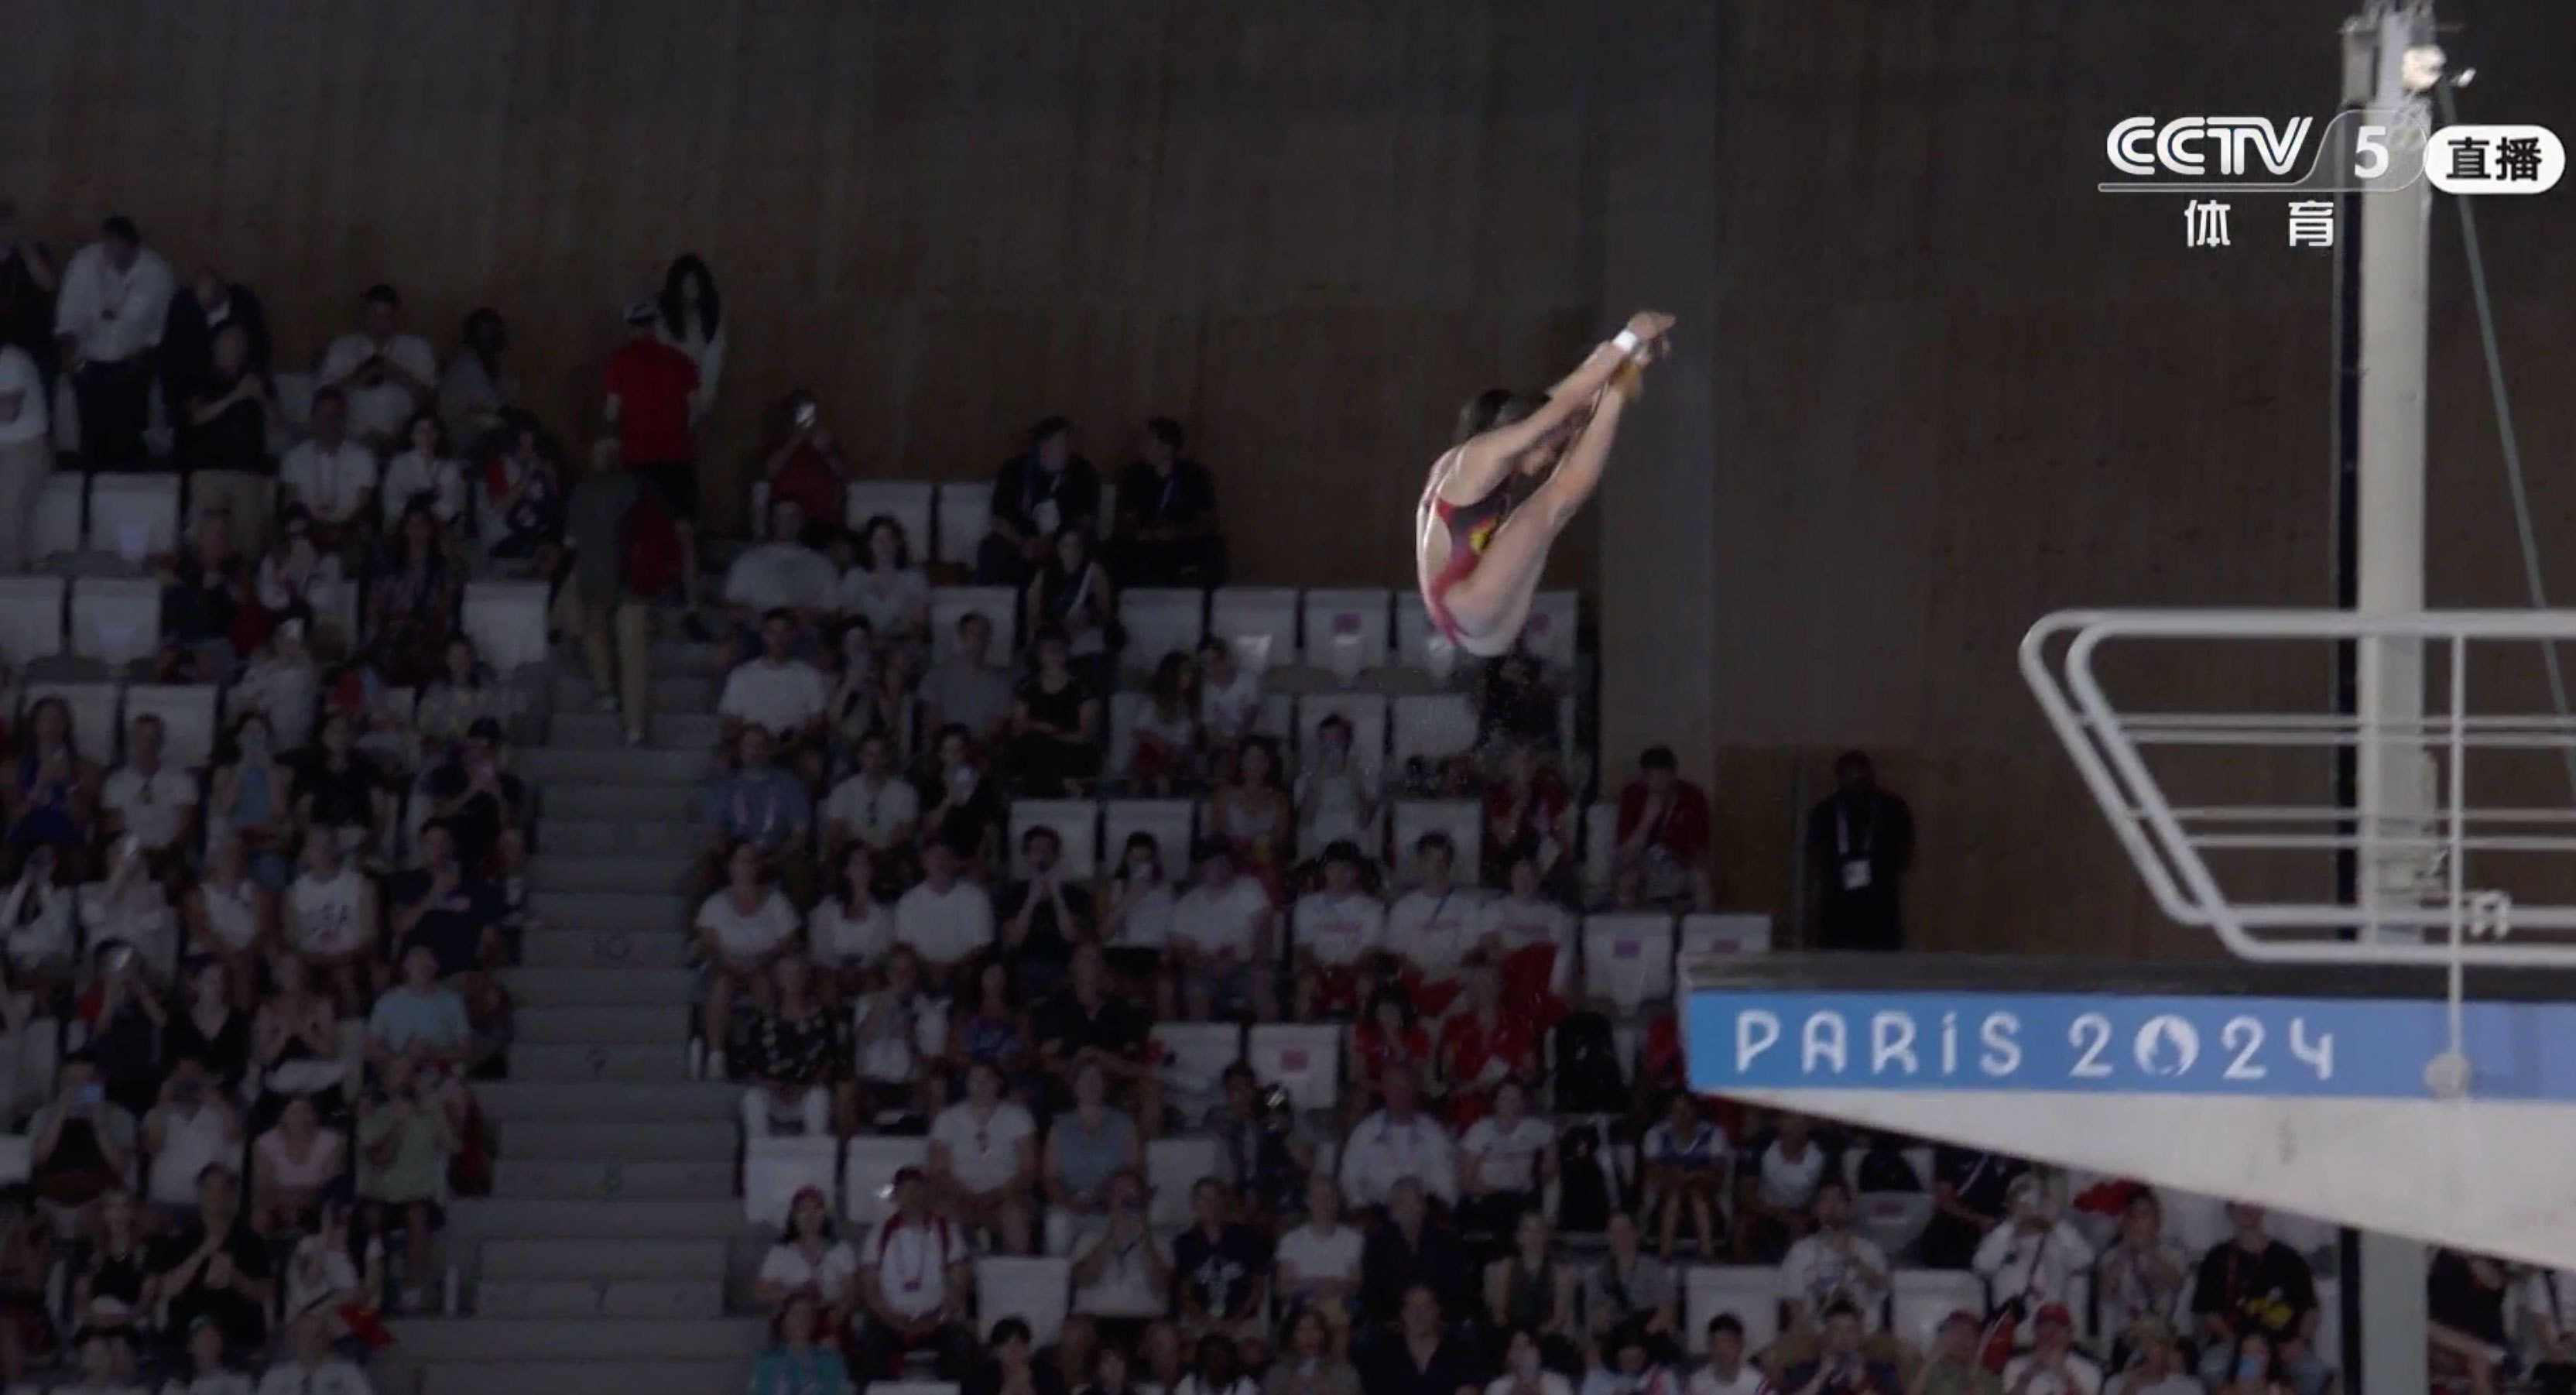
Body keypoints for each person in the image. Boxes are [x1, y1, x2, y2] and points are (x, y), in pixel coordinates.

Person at [1415, 312, 1671, 656]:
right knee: (1553, 501)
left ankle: (1617, 387)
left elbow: (1564, 401)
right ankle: (1616, 391)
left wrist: (1622, 359)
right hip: (1469, 604)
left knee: (1557, 490)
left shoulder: (1463, 464)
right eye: (1549, 449)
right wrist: (1629, 336)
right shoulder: (1486, 453)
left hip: (1468, 622)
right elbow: (1556, 410)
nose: (1549, 458)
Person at [603, 296, 705, 611]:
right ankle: (692, 605)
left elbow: (611, 414)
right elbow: (696, 410)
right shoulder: (681, 361)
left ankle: (632, 603)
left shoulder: (619, 362)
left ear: (629, 325)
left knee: (633, 531)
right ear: (655, 323)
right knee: (684, 534)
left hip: (638, 460)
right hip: (677, 457)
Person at [55, 215, 175, 474]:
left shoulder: (156, 273)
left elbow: (162, 328)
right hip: (89, 361)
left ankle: (128, 486)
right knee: (92, 435)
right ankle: (91, 491)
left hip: (133, 363)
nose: (110, 256)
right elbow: (68, 316)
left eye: (118, 249)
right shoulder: (84, 265)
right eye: (106, 247)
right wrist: (70, 353)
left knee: (129, 435)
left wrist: (145, 358)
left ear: (134, 246)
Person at [855, 1167, 974, 1380]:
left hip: (937, 1320)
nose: (912, 1197)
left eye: (917, 1190)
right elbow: (870, 1288)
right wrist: (892, 1319)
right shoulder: (879, 1234)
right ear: (896, 1196)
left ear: (926, 1193)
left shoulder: (946, 1231)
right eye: (905, 1191)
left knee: (961, 1345)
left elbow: (959, 1284)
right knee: (871, 1346)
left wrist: (938, 1319)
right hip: (891, 1321)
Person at [1805, 752, 1913, 952]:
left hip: (1879, 901)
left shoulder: (1893, 810)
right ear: (1839, 778)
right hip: (1837, 902)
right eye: (1850, 775)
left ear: (1870, 775)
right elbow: (1817, 852)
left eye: (1861, 775)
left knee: (1881, 964)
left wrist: (1876, 867)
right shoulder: (1825, 812)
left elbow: (1903, 852)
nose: (1856, 780)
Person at [927, 1059, 1038, 1254]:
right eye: (975, 1080)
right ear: (966, 1084)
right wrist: (965, 1195)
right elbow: (939, 1171)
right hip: (960, 1195)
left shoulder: (1018, 1116)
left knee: (1016, 1216)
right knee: (943, 1213)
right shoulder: (948, 1118)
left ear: (998, 1083)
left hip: (1007, 1196)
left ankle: (1014, 1276)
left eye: (988, 1079)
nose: (981, 1085)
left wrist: (999, 1195)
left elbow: (1028, 1169)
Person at [317, 283, 437, 450]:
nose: (380, 322)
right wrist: (358, 377)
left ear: (396, 316)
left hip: (403, 443)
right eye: (374, 314)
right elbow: (322, 403)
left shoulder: (417, 349)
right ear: (364, 315)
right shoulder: (342, 348)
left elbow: (431, 402)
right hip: (350, 443)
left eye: (386, 316)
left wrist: (398, 375)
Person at [1110, 418, 1224, 588]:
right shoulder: (1134, 475)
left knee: (1214, 550)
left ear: (1167, 448)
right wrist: (1139, 532)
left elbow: (1207, 521)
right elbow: (1125, 518)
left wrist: (1178, 532)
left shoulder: (1195, 475)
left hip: (1183, 542)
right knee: (1117, 550)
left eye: (1149, 441)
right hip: (1144, 544)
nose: (1143, 446)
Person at [1070, 1170, 1175, 1339]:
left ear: (1142, 1198)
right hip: (1095, 1317)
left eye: (1131, 1191)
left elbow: (1162, 1285)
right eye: (1118, 1191)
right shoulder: (1088, 1236)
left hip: (1146, 1317)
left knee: (1166, 1337)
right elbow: (1083, 1280)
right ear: (1109, 1198)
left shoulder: (1160, 1239)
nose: (1125, 1196)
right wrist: (1110, 1236)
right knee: (1074, 1334)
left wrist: (1145, 1239)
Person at [1172, 1178, 1269, 1342]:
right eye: (1204, 1199)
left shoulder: (1247, 1237)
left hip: (1242, 1320)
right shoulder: (1185, 1243)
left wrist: (1236, 1320)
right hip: (1199, 1321)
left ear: (1224, 1201)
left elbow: (1258, 1286)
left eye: (1215, 1198)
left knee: (1252, 1350)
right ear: (1194, 1204)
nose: (1210, 1204)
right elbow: (1184, 1293)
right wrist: (1207, 1321)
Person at [1362, 1284, 1482, 1395]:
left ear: (1437, 1310)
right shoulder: (1383, 1354)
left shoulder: (1461, 1353)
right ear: (1403, 1312)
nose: (1418, 1315)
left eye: (1426, 1307)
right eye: (1411, 1307)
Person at [0, 336, 50, 571]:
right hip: (10, 449)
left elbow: (8, 411)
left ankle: (10, 589)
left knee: (7, 524)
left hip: (21, 449)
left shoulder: (9, 360)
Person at [753, 1291, 856, 1395]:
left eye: (807, 1314)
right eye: (795, 1314)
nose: (801, 1320)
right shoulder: (768, 1361)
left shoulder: (831, 1362)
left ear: (814, 1321)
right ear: (785, 1321)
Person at [2000, 1304, 2102, 1395]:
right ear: (2035, 1332)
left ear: (2069, 1333)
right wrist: (2028, 1376)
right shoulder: (2015, 1366)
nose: (2050, 1335)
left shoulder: (2089, 1370)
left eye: (2057, 1329)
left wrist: (2064, 1374)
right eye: (2044, 1328)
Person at [1689, 1315, 1766, 1395]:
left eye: (1729, 1343)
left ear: (1740, 1346)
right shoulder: (1696, 1384)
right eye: (1717, 1343)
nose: (1723, 1350)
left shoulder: (1758, 1385)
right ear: (1710, 1346)